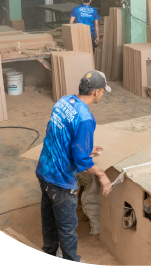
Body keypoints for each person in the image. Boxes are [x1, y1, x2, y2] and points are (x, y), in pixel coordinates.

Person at [35, 71, 112, 262]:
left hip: (44, 169)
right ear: (96, 92)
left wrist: (85, 147)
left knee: (49, 218)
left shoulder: (63, 101)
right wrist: (101, 175)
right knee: (67, 227)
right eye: (103, 91)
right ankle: (71, 261)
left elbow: (56, 132)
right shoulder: (85, 118)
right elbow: (82, 162)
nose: (102, 94)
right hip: (60, 180)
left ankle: (50, 253)